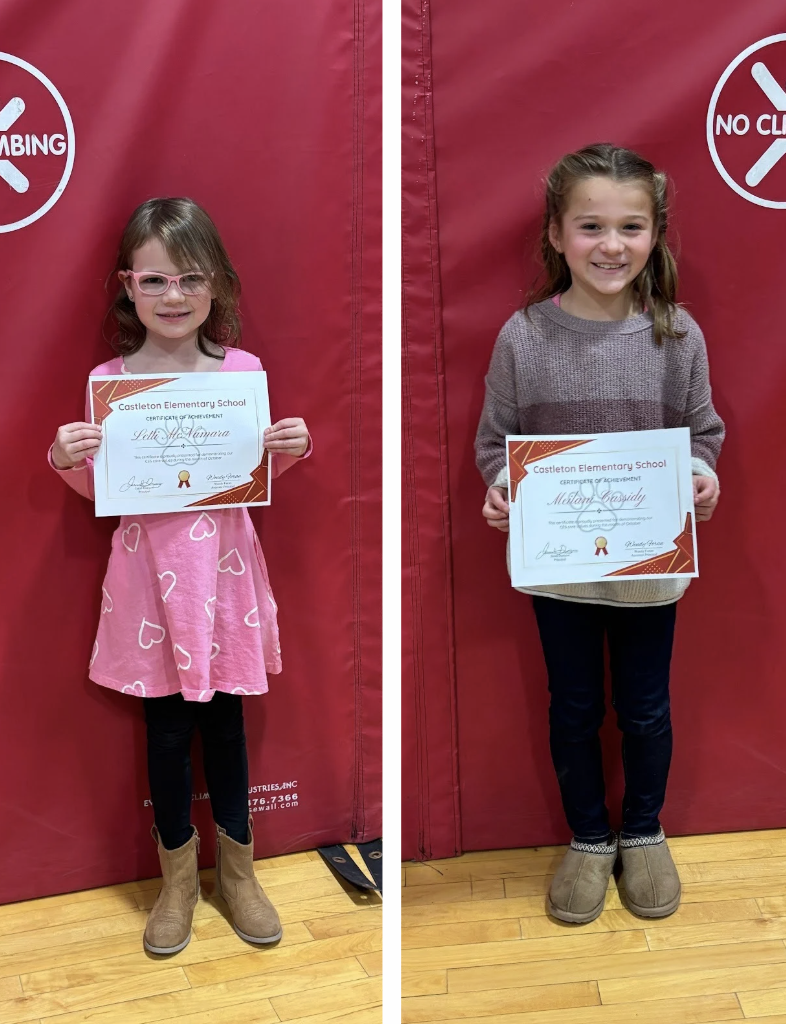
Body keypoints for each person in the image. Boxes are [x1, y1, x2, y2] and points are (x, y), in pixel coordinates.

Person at [50, 198, 311, 954]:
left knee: (225, 724)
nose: (173, 296)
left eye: (189, 279)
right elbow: (105, 492)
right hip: (147, 582)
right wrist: (66, 459)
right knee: (165, 731)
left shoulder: (243, 373)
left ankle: (239, 873)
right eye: (155, 280)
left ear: (217, 286)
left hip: (223, 578)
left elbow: (253, 478)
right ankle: (178, 882)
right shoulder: (110, 382)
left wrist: (287, 447)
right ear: (128, 286)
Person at [475, 144, 724, 924]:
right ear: (556, 234)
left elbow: (702, 434)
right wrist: (502, 488)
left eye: (630, 226)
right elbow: (497, 442)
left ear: (655, 235)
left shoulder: (677, 335)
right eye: (590, 226)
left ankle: (643, 832)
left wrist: (701, 476)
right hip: (560, 574)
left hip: (651, 570)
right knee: (575, 707)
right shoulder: (522, 337)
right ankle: (590, 838)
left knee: (646, 709)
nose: (610, 245)